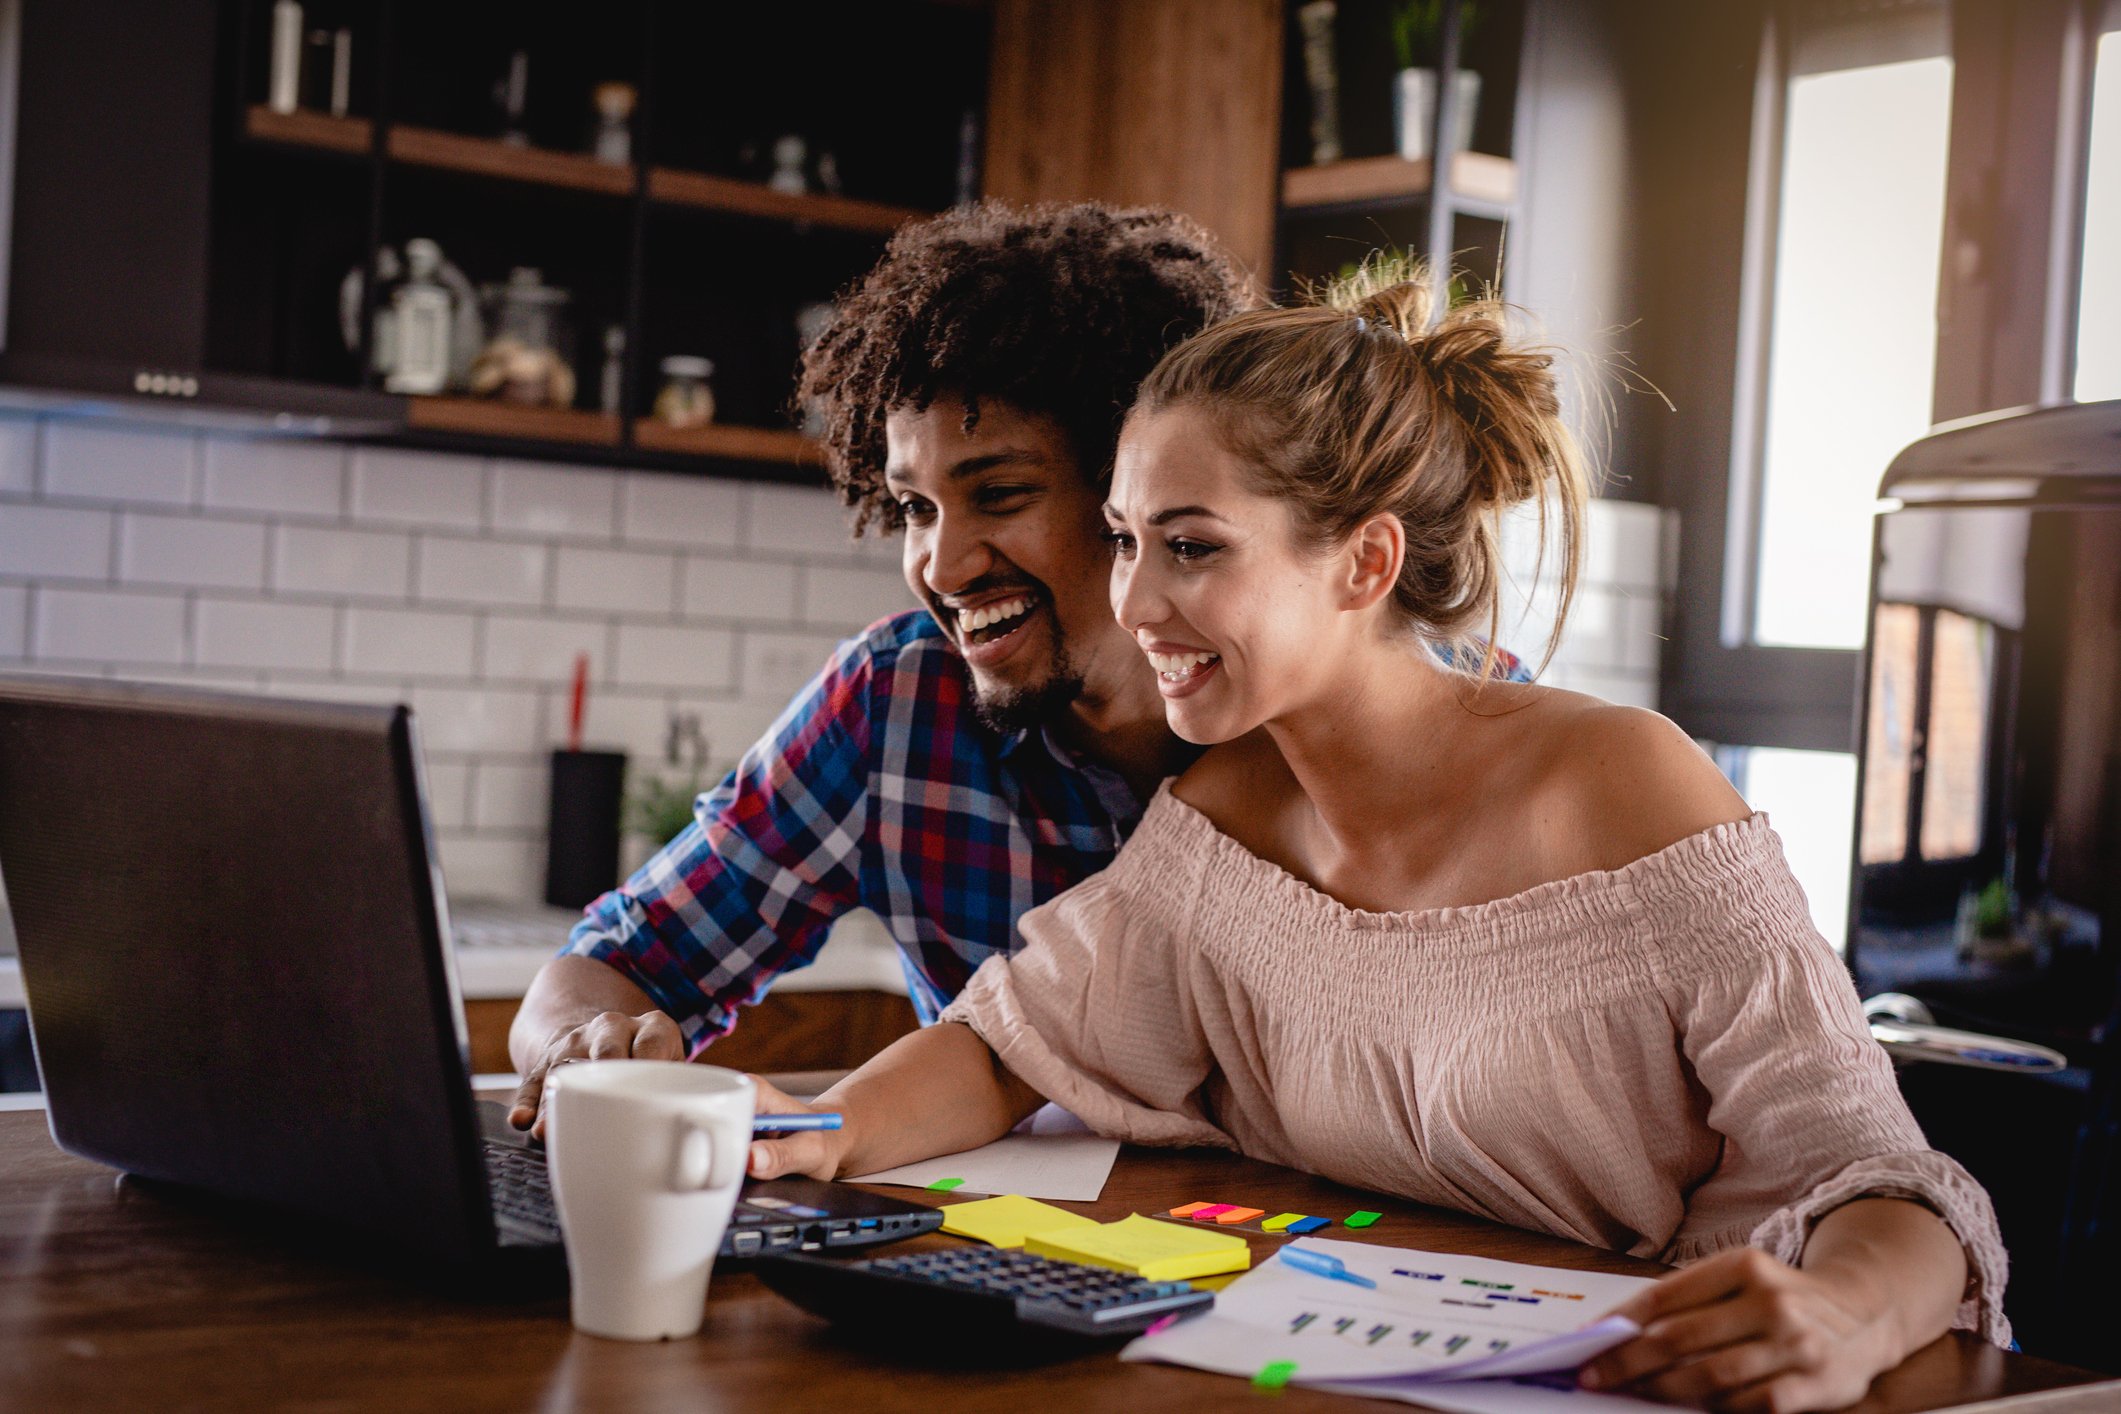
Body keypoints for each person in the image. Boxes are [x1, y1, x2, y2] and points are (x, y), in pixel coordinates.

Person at [744, 268, 2009, 1413]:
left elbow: (1887, 1183)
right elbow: (1011, 1044)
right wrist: (825, 1128)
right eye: (1126, 541)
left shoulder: (1626, 785)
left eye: (1191, 547)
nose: (1133, 599)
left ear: (1364, 564)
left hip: (1686, 1385)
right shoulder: (1221, 821)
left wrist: (1839, 1314)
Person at [505, 203, 1262, 1134]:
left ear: (1134, 491)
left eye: (1000, 494)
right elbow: (617, 959)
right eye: (915, 508)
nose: (940, 569)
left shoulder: (1320, 705)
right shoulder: (895, 704)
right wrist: (578, 1047)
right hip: (1016, 1253)